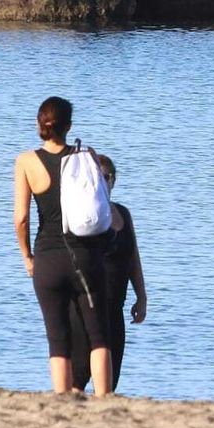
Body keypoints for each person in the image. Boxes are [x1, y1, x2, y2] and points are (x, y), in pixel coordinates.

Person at [12, 96, 114, 396]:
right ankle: (104, 399)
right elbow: (102, 206)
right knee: (99, 336)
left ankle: (60, 400)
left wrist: (27, 256)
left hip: (48, 259)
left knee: (58, 338)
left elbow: (21, 218)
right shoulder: (88, 156)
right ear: (69, 126)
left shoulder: (27, 162)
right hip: (87, 256)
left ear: (38, 124)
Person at [67, 153, 147, 393]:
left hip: (115, 306)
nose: (104, 183)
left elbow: (133, 257)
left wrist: (141, 296)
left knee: (111, 379)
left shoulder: (123, 213)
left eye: (107, 177)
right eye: (98, 178)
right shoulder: (83, 217)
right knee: (79, 374)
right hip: (86, 305)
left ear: (113, 181)